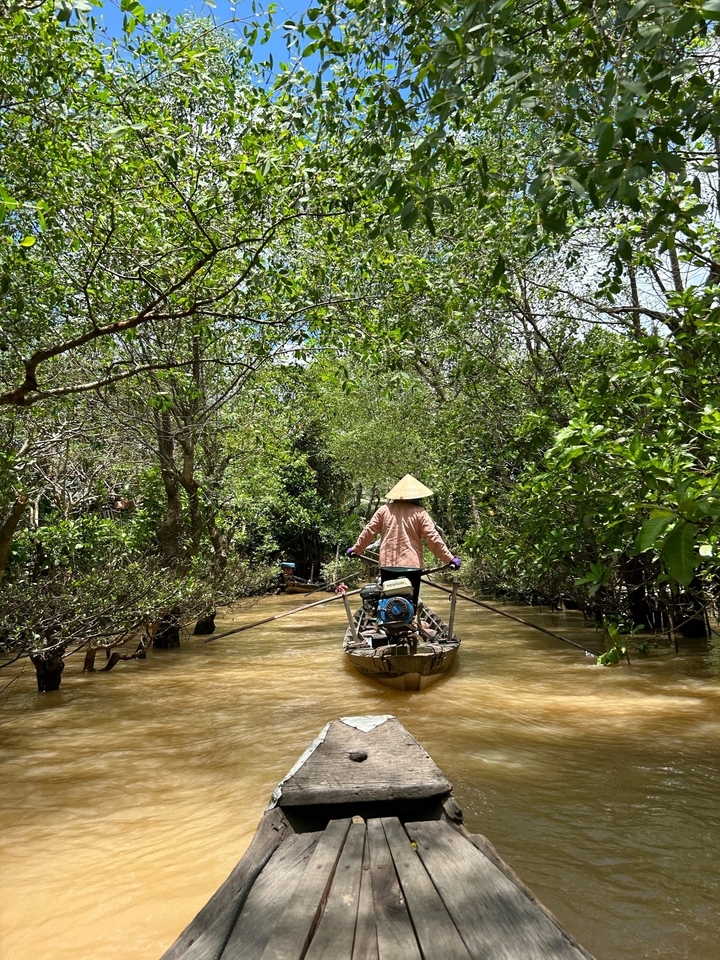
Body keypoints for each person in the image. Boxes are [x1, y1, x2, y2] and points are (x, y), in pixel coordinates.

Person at [346, 474, 461, 604]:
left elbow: (369, 531)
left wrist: (356, 549)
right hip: (412, 566)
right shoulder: (420, 512)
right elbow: (433, 538)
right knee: (410, 605)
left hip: (388, 566)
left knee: (388, 604)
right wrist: (449, 558)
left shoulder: (383, 510)